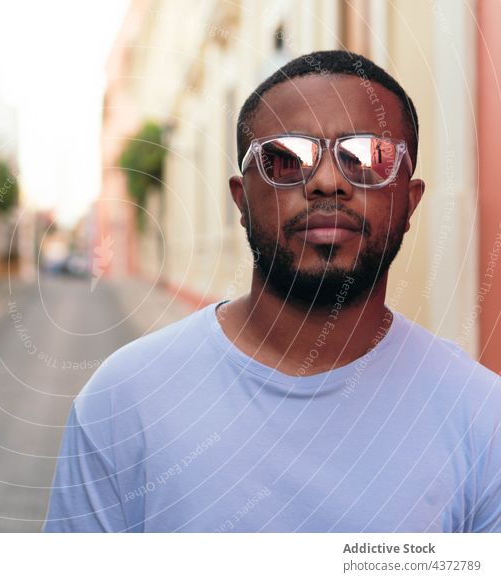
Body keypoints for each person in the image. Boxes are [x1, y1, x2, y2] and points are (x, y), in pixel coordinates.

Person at [42, 50, 501, 532]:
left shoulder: (480, 418)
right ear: (242, 199)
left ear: (409, 201)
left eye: (368, 157)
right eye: (287, 159)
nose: (328, 182)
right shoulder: (123, 399)